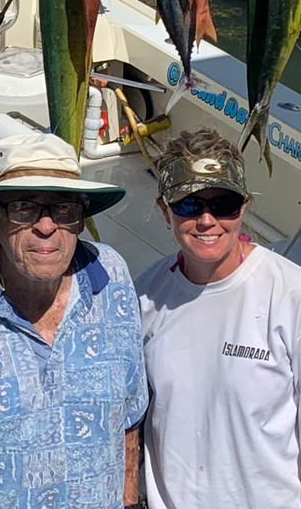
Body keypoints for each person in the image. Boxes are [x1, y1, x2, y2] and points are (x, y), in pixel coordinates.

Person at [0, 131, 148, 509]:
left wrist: (129, 499)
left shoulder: (111, 275)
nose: (46, 225)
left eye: (65, 208)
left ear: (82, 219)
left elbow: (130, 416)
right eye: (25, 206)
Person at [136, 128, 301, 508]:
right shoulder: (143, 295)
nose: (207, 220)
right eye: (189, 205)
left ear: (244, 205)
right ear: (165, 210)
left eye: (223, 203)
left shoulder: (291, 294)